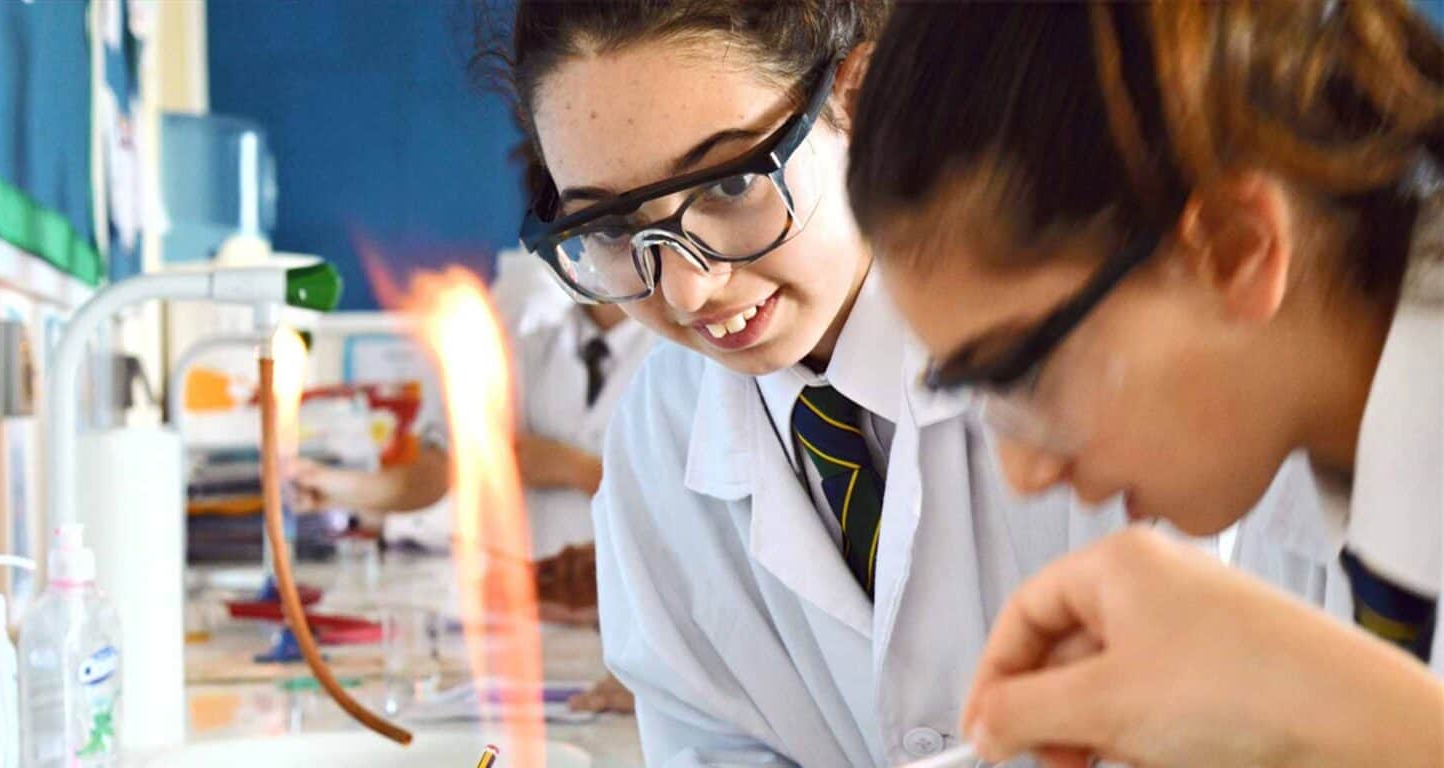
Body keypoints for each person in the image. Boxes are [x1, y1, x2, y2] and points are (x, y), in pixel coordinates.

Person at [492, 2, 1183, 764]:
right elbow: (711, 743)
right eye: (615, 230)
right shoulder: (660, 434)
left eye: (728, 188)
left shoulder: (1080, 343)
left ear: (863, 98)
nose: (689, 289)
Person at [845, 2, 1444, 765]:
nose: (1024, 475)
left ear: (1235, 248)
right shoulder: (1326, 481)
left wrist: (1327, 707)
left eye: (1021, 373)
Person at [294, 299, 656, 559]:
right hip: (533, 605)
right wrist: (340, 486)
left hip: (647, 610)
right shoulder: (523, 340)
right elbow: (440, 469)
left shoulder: (682, 353)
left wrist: (576, 469)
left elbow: (695, 503)